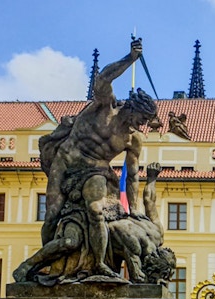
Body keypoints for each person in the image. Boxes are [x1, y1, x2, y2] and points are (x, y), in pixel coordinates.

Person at [39, 38, 156, 278]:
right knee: (52, 214)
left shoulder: (133, 139)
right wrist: (129, 59)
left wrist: (134, 209)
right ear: (132, 108)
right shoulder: (105, 107)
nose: (142, 125)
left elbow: (132, 175)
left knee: (97, 213)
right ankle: (49, 265)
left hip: (97, 172)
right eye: (142, 118)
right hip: (68, 161)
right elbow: (103, 79)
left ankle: (100, 264)